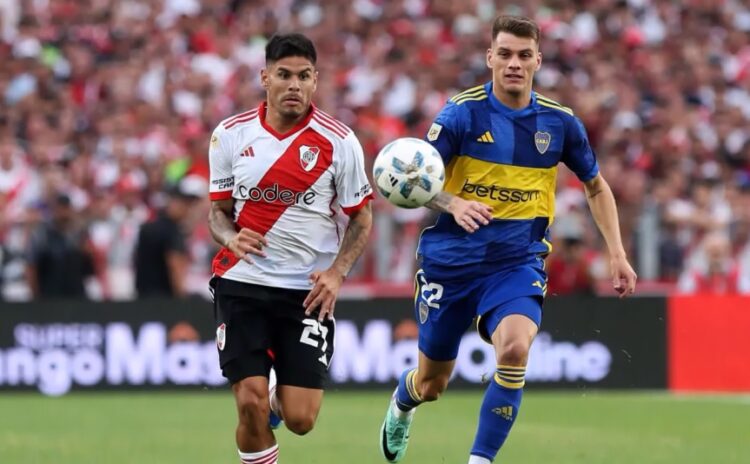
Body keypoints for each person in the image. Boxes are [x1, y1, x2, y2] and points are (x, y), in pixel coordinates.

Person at [379, 15, 637, 464]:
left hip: (516, 261)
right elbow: (415, 178)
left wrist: (617, 252)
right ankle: (405, 398)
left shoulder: (559, 123)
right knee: (433, 383)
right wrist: (453, 203)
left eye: (523, 55)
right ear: (490, 58)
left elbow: (596, 186)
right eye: (505, 54)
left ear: (538, 60)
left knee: (516, 349)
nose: (514, 63)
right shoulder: (461, 113)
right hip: (451, 263)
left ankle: (480, 460)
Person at [207, 33, 373, 464]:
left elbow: (361, 216)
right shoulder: (230, 134)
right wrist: (230, 237)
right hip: (241, 282)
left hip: (306, 291)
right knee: (249, 401)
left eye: (303, 76)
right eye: (284, 75)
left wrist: (337, 274)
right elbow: (217, 214)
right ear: (265, 77)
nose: (294, 85)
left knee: (301, 418)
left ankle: (277, 403)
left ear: (316, 80)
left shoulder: (339, 141)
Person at [134, 175, 205, 298]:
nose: (187, 209)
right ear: (173, 202)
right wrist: (183, 299)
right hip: (166, 301)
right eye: (185, 203)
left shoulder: (148, 227)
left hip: (143, 298)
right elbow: (175, 268)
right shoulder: (173, 232)